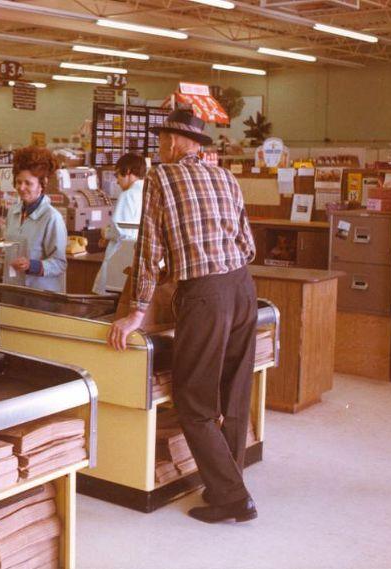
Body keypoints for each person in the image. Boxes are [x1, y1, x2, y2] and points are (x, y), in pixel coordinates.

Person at [106, 108, 258, 524]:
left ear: (173, 142)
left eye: (161, 141)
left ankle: (233, 497)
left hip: (205, 296)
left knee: (193, 400)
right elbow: (247, 244)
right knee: (234, 393)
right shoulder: (225, 177)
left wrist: (137, 311)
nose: (159, 148)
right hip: (243, 287)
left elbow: (148, 249)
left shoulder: (161, 177)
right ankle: (228, 482)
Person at [1, 147, 67, 292]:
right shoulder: (13, 212)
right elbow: (6, 252)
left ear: (42, 184)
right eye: (18, 182)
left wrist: (32, 265)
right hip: (14, 290)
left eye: (28, 183)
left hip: (41, 294)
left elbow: (60, 263)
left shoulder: (52, 217)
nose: (21, 187)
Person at [92, 153, 145, 295]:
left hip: (121, 256)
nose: (116, 181)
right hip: (135, 255)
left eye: (117, 175)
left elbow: (120, 231)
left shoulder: (127, 195)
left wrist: (105, 232)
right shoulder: (147, 191)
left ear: (127, 171)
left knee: (113, 296)